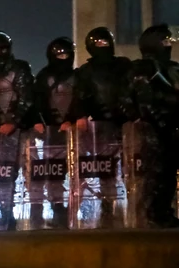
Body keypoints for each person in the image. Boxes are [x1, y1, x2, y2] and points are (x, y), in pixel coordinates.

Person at [72, 27, 133, 227]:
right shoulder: (86, 71)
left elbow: (132, 90)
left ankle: (132, 206)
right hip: (100, 126)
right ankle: (108, 207)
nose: (102, 46)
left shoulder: (123, 66)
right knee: (106, 168)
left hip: (125, 123)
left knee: (130, 166)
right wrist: (81, 116)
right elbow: (81, 96)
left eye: (105, 42)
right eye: (98, 43)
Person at [0, 31, 33, 230]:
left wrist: (14, 121)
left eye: (3, 49)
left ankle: (17, 211)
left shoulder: (20, 68)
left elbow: (26, 97)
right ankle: (3, 210)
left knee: (19, 172)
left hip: (19, 131)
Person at [127, 25, 179, 228]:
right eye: (164, 41)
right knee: (155, 173)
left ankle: (164, 212)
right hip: (154, 128)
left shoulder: (172, 67)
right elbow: (143, 96)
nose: (168, 45)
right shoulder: (143, 67)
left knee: (168, 173)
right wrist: (157, 118)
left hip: (172, 126)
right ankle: (152, 215)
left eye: (169, 41)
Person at [28, 37, 77, 229]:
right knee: (44, 172)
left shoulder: (76, 77)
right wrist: (39, 123)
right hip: (46, 134)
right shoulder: (43, 77)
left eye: (66, 54)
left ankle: (62, 211)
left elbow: (80, 100)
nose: (63, 58)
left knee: (66, 174)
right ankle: (39, 212)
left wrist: (72, 119)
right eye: (59, 55)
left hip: (71, 133)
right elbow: (36, 101)